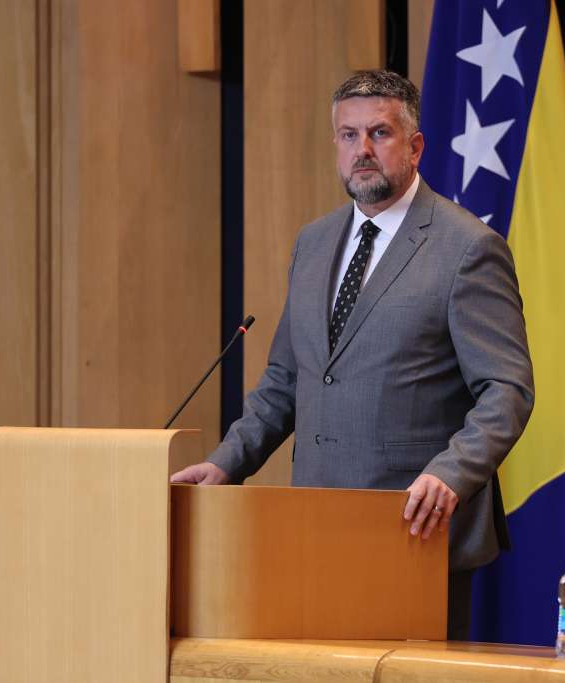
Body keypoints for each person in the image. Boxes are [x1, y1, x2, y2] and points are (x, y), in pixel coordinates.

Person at [171, 70, 534, 640]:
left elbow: (507, 390)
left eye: (379, 133)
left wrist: (451, 473)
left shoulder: (467, 248)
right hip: (312, 529)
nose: (362, 149)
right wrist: (226, 463)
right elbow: (287, 380)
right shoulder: (313, 243)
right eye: (348, 135)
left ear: (415, 146)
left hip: (412, 531)